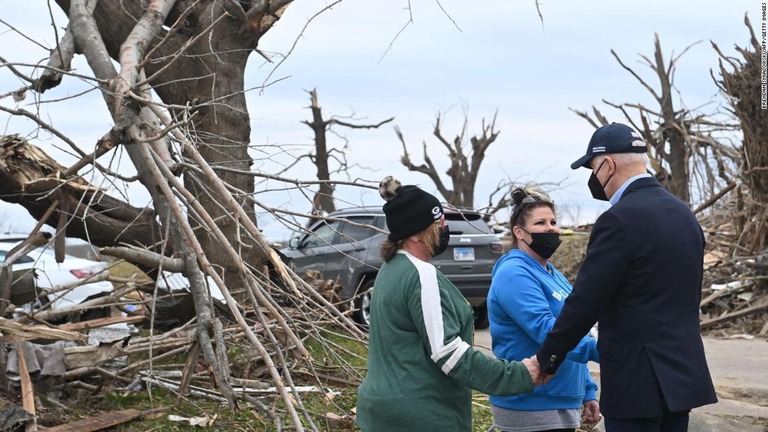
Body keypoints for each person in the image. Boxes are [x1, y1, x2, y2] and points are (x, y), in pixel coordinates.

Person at [535, 123, 717, 431]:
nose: (594, 179)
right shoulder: (684, 215)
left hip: (636, 386)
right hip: (681, 380)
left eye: (593, 169)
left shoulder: (618, 220)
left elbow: (586, 302)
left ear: (608, 165)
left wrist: (548, 359)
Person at [356, 176, 540, 432]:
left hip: (381, 412)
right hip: (421, 416)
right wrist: (517, 375)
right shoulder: (421, 275)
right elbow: (449, 354)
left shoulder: (389, 270)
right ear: (419, 233)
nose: (444, 228)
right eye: (438, 222)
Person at [488, 187, 600, 432]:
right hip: (530, 402)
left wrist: (588, 390)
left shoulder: (553, 274)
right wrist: (605, 350)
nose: (550, 228)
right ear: (519, 232)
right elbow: (548, 330)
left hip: (562, 398)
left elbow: (576, 328)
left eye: (553, 221)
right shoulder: (514, 273)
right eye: (540, 223)